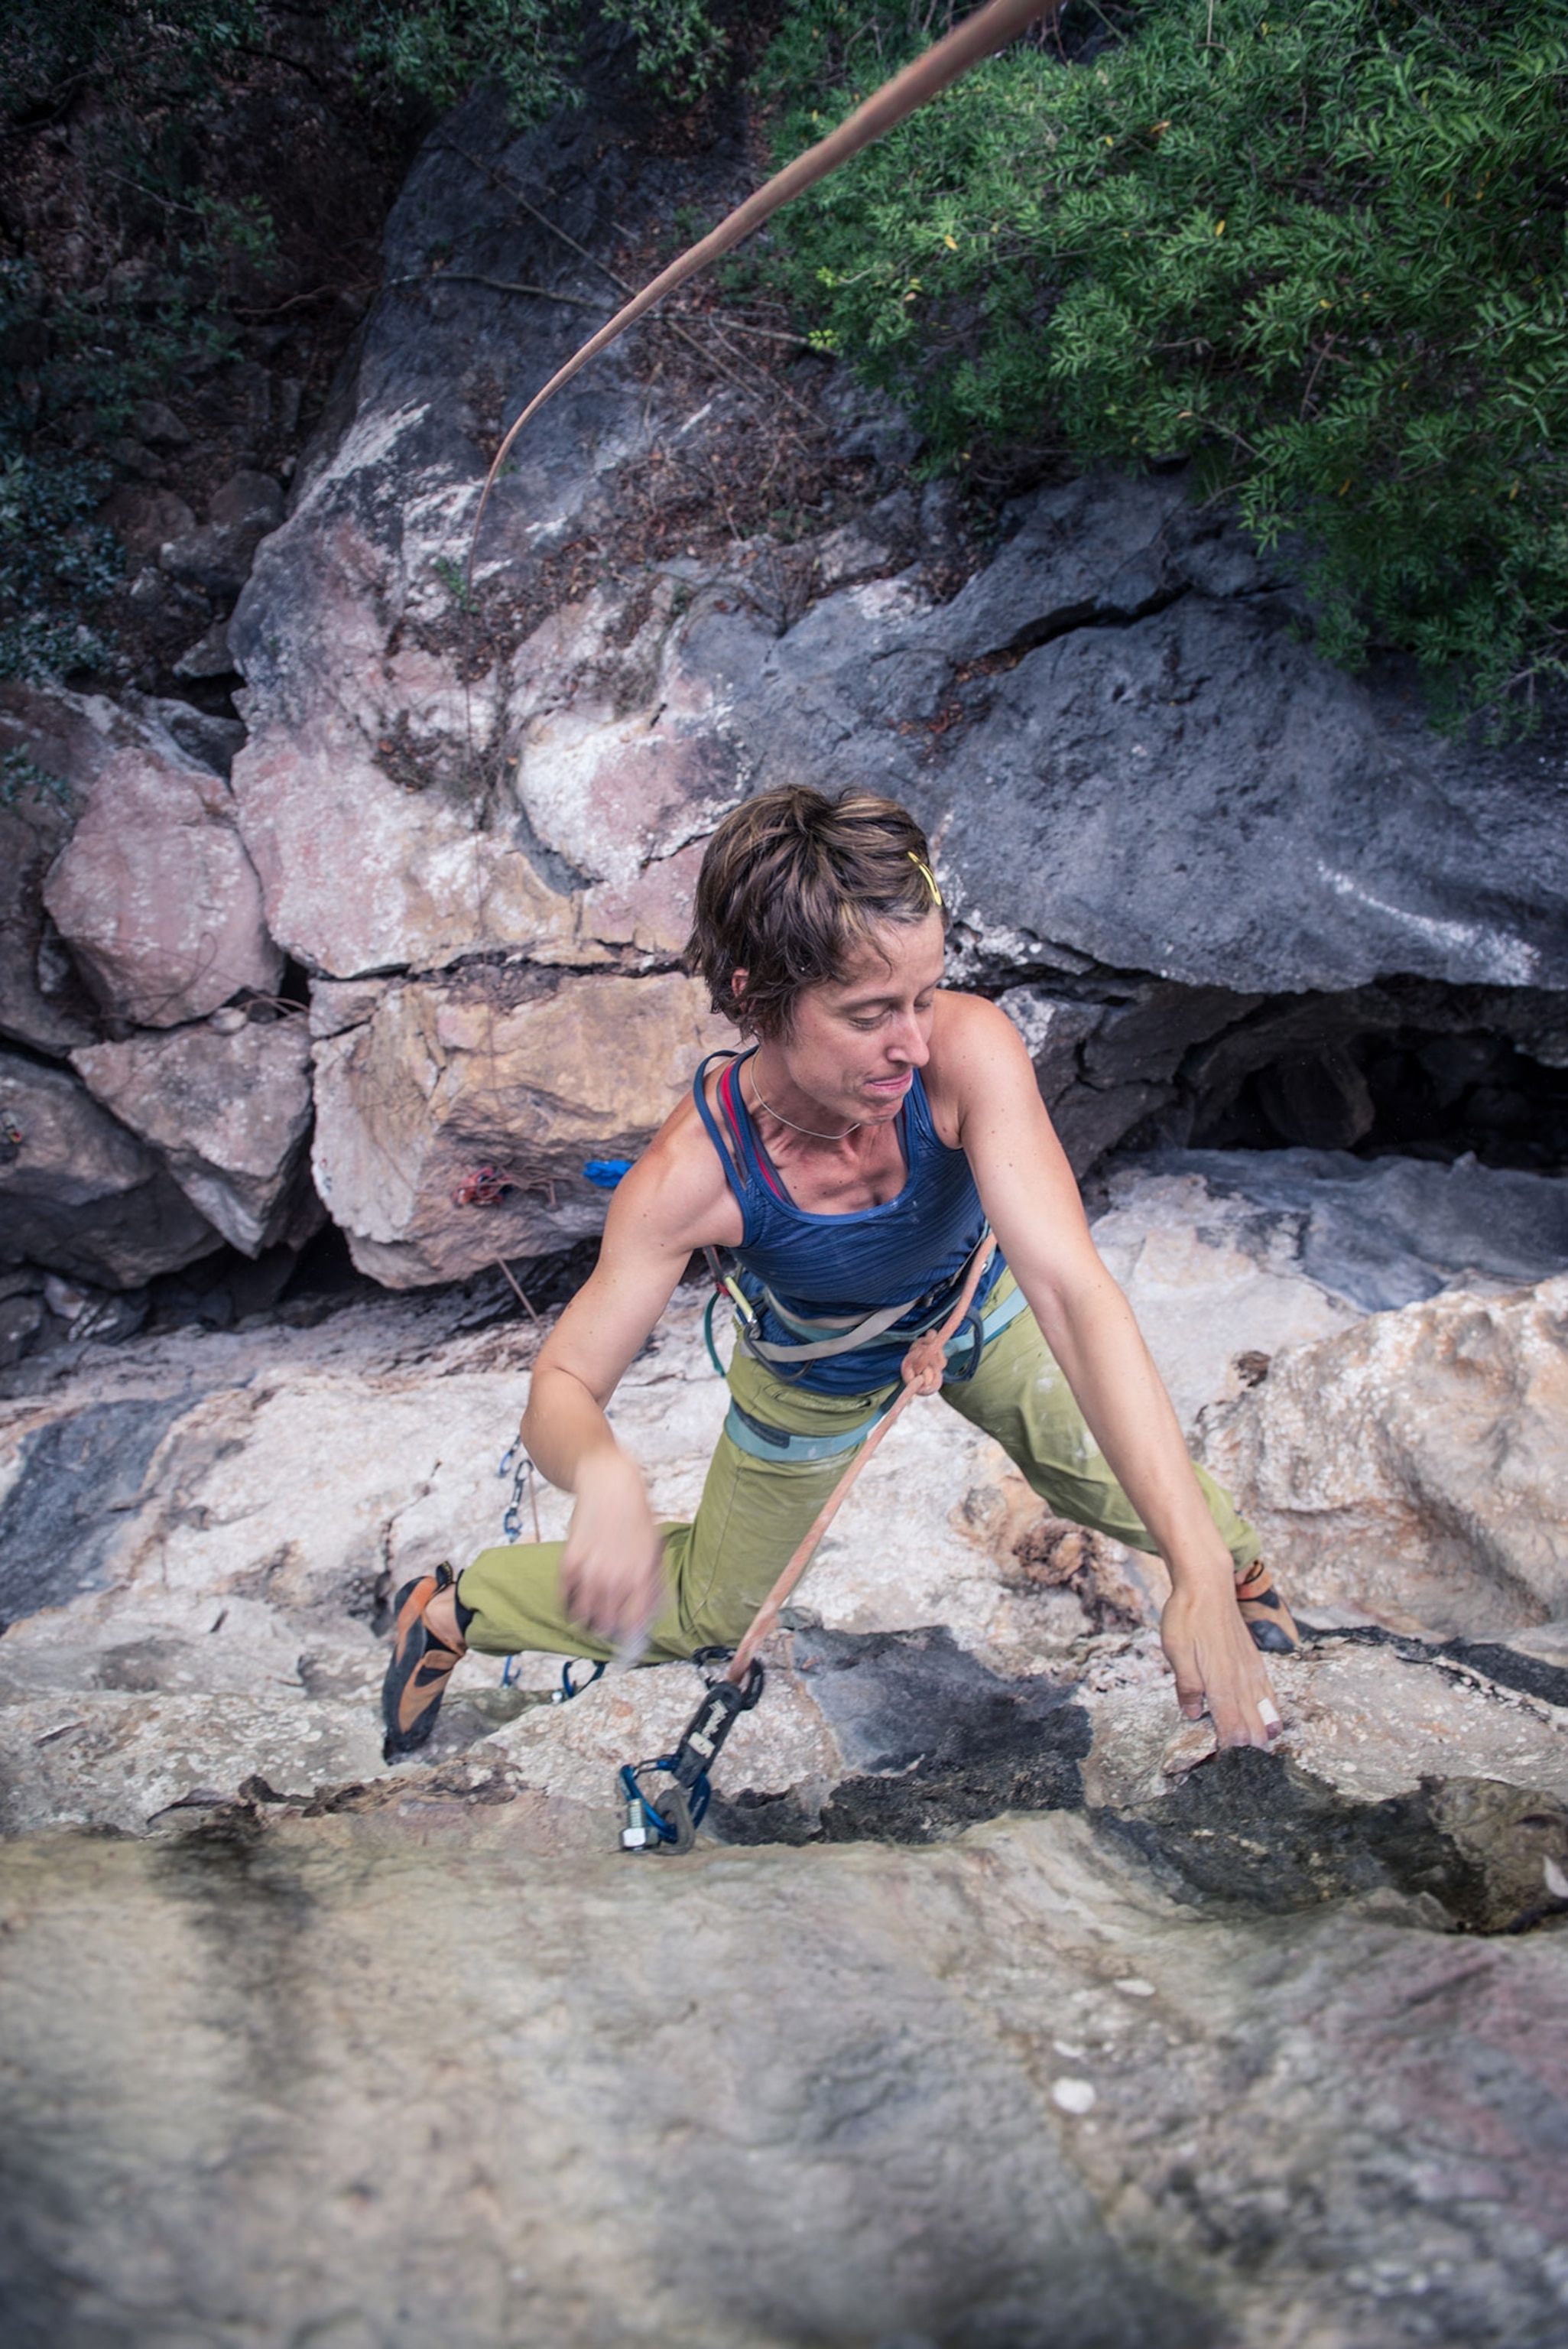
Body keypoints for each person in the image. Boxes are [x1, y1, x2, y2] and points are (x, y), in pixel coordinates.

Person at [382, 787, 1297, 1763]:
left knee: (1122, 1483)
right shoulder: (692, 1177)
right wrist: (602, 1474)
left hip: (972, 1308)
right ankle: (452, 1611)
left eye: (924, 996)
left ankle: (1236, 1578)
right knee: (709, 1612)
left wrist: (1194, 1570)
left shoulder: (964, 1053)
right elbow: (562, 1384)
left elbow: (1072, 1292)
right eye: (869, 1015)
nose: (913, 1043)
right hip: (815, 1369)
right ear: (755, 999)